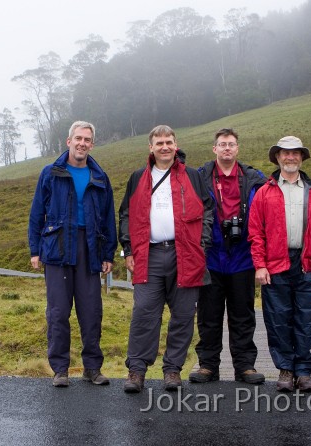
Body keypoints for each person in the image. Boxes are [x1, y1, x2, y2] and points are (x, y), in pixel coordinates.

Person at [118, 125, 213, 393]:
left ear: (176, 144)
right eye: (159, 142)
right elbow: (125, 214)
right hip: (148, 253)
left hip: (186, 254)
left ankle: (173, 370)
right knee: (144, 313)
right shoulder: (138, 177)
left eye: (168, 142)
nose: (164, 147)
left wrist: (201, 243)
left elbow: (208, 210)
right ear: (150, 147)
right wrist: (128, 249)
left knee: (183, 315)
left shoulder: (192, 176)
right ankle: (136, 370)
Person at [28, 120, 117, 388]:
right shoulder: (51, 173)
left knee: (91, 311)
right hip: (57, 249)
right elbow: (36, 214)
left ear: (92, 144)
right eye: (78, 138)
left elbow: (108, 218)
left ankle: (92, 368)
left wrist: (108, 254)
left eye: (87, 140)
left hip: (89, 248)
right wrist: (35, 250)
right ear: (69, 141)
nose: (82, 143)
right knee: (58, 312)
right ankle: (60, 369)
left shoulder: (99, 176)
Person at [248, 135, 311, 392]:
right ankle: (286, 369)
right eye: (285, 153)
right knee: (278, 319)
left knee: (307, 318)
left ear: (302, 157)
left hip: (308, 263)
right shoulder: (264, 192)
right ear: (277, 157)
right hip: (276, 264)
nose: (290, 157)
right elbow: (256, 232)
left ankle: (304, 370)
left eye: (296, 153)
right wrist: (260, 265)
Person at [189, 128, 267, 385]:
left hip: (242, 257)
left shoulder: (254, 178)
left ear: (237, 149)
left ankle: (245, 366)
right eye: (222, 144)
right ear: (214, 149)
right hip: (210, 257)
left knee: (243, 315)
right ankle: (207, 366)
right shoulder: (199, 177)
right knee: (208, 315)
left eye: (231, 144)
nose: (227, 149)